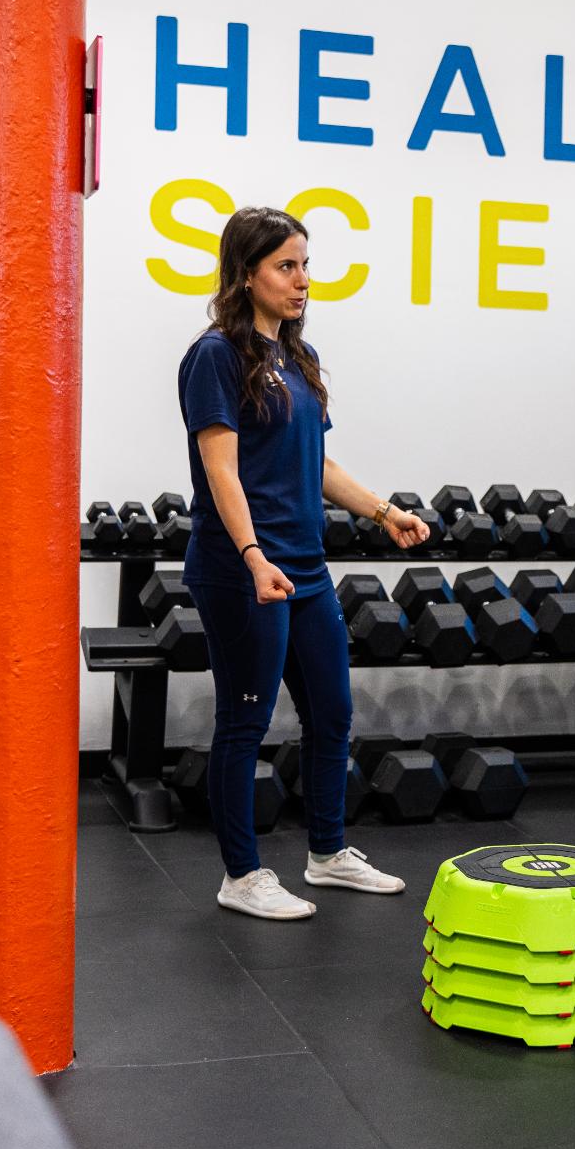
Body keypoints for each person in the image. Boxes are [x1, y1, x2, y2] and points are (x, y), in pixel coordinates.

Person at [178, 206, 430, 921]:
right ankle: (242, 874)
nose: (302, 281)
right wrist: (253, 556)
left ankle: (327, 854)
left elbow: (317, 466)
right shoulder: (216, 356)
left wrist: (383, 513)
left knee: (332, 712)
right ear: (245, 273)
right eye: (286, 266)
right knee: (245, 721)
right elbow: (221, 471)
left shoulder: (298, 360)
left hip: (305, 564)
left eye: (305, 265)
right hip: (240, 568)